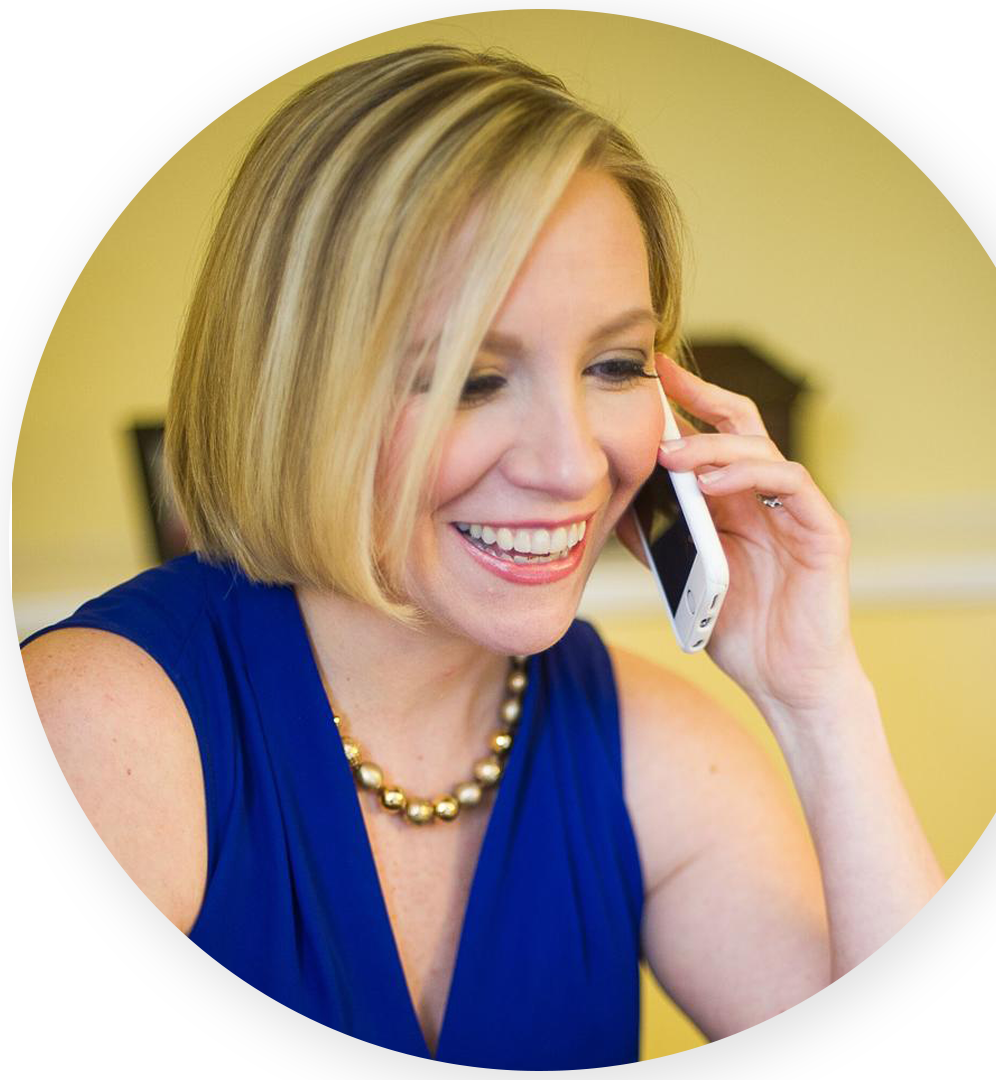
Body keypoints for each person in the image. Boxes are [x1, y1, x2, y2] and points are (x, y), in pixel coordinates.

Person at [20, 45, 944, 1066]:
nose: (574, 464)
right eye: (471, 377)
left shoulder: (652, 748)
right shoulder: (103, 729)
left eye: (614, 365)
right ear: (293, 391)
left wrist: (820, 702)